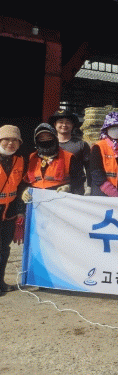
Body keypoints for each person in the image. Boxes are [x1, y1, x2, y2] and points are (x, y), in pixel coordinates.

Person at [0, 125, 26, 295]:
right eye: (6, 139)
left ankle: (0, 282)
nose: (11, 143)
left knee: (4, 248)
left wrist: (20, 211)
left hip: (9, 212)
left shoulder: (20, 160)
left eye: (15, 140)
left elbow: (21, 187)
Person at [23, 123, 83, 196]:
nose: (46, 141)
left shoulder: (69, 157)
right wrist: (24, 190)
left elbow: (79, 180)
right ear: (36, 141)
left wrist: (69, 187)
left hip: (59, 197)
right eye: (41, 139)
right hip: (35, 198)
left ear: (55, 138)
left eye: (49, 138)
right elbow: (22, 180)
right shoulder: (31, 157)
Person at [49, 109, 90, 195]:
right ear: (55, 124)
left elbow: (89, 168)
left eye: (68, 122)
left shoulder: (81, 144)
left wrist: (89, 187)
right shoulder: (47, 145)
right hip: (52, 188)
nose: (64, 125)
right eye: (61, 122)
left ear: (72, 125)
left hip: (75, 188)